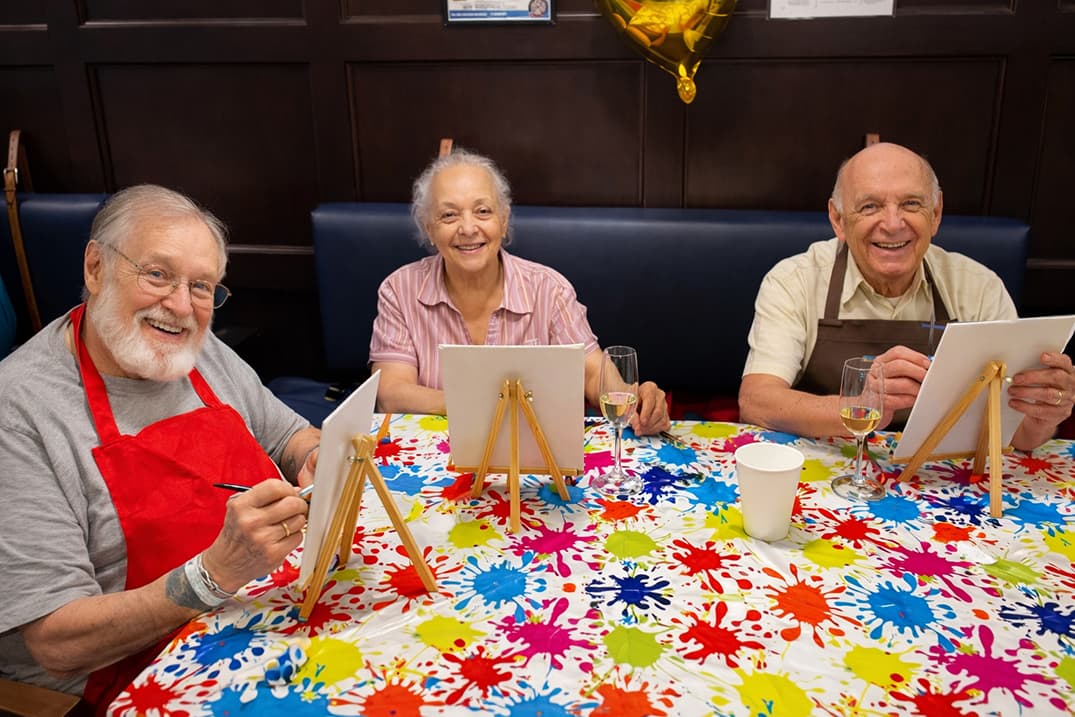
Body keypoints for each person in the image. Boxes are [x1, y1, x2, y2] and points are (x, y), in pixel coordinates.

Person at [0, 185, 320, 712]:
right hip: (125, 679)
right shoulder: (20, 410)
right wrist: (212, 576)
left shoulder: (200, 349)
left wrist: (314, 454)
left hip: (243, 623)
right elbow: (54, 642)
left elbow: (289, 436)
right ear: (96, 267)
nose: (180, 306)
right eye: (157, 274)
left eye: (201, 286)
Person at [738, 142, 1075, 450]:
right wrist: (857, 405)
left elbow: (1017, 436)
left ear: (936, 213)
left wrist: (1044, 413)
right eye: (870, 207)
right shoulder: (795, 280)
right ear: (838, 220)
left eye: (911, 203)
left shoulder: (979, 288)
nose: (893, 223)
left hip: (943, 477)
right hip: (827, 464)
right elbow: (757, 401)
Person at [369, 148, 671, 435]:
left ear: (504, 220)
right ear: (429, 229)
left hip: (535, 454)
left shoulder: (548, 288)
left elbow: (592, 373)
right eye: (449, 215)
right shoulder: (400, 290)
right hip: (435, 460)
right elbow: (391, 393)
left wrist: (633, 400)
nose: (468, 228)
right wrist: (486, 405)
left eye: (483, 211)